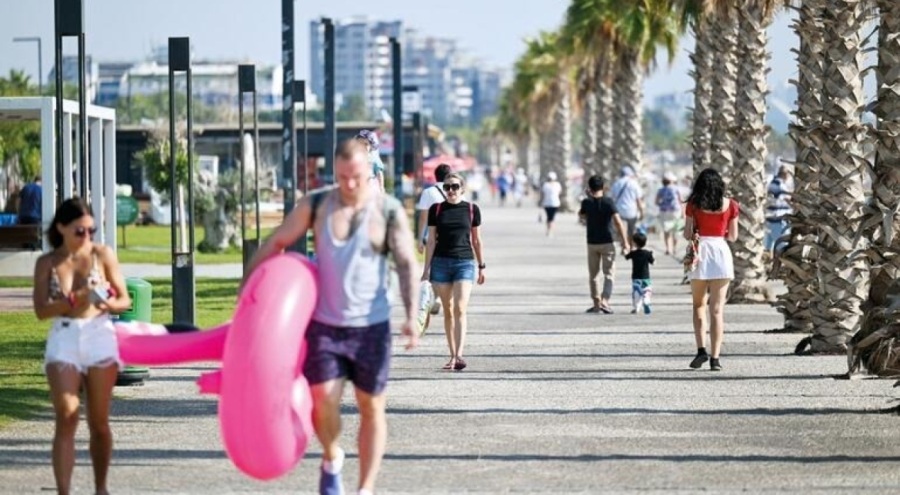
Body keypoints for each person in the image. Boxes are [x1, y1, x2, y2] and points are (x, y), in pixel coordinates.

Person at [243, 138, 419, 495]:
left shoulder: (388, 210)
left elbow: (406, 264)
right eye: (342, 177)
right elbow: (276, 242)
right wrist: (246, 293)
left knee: (371, 407)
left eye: (355, 177)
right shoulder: (318, 204)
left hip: (372, 327)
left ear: (370, 171)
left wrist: (412, 316)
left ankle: (365, 487)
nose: (349, 185)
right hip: (325, 325)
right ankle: (331, 455)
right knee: (323, 399)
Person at [31, 197, 132, 495]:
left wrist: (107, 302)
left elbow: (124, 300)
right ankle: (64, 491)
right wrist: (74, 299)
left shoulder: (103, 254)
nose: (87, 237)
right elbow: (40, 310)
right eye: (79, 231)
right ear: (61, 228)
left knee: (99, 422)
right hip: (65, 337)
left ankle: (101, 488)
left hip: (99, 335)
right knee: (67, 415)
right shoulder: (47, 263)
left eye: (91, 230)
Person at [421, 172, 485, 372]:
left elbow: (476, 240)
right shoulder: (436, 209)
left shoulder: (472, 210)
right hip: (440, 264)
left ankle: (459, 355)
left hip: (465, 263)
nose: (450, 190)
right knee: (448, 310)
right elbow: (431, 240)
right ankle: (451, 355)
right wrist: (425, 270)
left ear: (462, 189)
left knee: (460, 308)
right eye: (447, 187)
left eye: (455, 187)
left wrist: (482, 266)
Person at [683, 168, 739, 372]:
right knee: (717, 310)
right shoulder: (731, 205)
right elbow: (733, 236)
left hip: (701, 253)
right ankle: (716, 358)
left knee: (699, 305)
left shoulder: (694, 204)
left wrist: (697, 229)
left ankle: (701, 350)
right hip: (721, 253)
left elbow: (688, 233)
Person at [578, 175, 630, 314]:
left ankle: (596, 303)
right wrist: (625, 242)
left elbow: (581, 216)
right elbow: (618, 222)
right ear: (604, 187)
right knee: (609, 274)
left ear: (589, 188)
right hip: (607, 242)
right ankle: (605, 301)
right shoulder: (609, 202)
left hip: (592, 243)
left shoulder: (586, 202)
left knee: (593, 275)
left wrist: (587, 200)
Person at [415, 163, 453, 254]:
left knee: (435, 265)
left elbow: (423, 217)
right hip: (453, 236)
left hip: (433, 238)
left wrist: (420, 239)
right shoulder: (457, 192)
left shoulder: (428, 192)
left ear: (435, 176)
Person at [764, 164, 794, 256]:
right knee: (782, 248)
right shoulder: (781, 184)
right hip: (779, 222)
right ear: (786, 174)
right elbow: (788, 199)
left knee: (767, 249)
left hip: (770, 220)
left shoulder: (772, 182)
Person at [610, 165, 644, 238]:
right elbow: (638, 200)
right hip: (632, 211)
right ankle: (631, 246)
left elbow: (612, 198)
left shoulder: (616, 183)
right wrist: (641, 212)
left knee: (622, 229)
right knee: (631, 230)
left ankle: (624, 244)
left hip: (619, 210)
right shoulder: (634, 183)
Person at [625, 231, 655, 315]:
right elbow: (653, 262)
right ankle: (646, 300)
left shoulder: (633, 253)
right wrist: (653, 257)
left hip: (635, 277)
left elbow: (626, 257)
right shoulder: (647, 253)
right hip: (646, 277)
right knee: (647, 290)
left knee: (636, 293)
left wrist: (626, 250)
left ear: (634, 243)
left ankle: (636, 308)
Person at [655, 172, 684, 255]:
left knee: (667, 231)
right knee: (676, 230)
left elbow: (656, 202)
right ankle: (674, 248)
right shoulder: (677, 189)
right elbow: (681, 201)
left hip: (664, 212)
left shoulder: (660, 190)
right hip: (676, 212)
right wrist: (683, 214)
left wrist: (663, 204)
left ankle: (668, 249)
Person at [540, 171, 562, 237]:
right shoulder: (557, 185)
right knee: (552, 218)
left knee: (549, 217)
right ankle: (550, 230)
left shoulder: (545, 185)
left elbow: (543, 194)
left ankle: (548, 230)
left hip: (547, 203)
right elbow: (559, 192)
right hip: (555, 203)